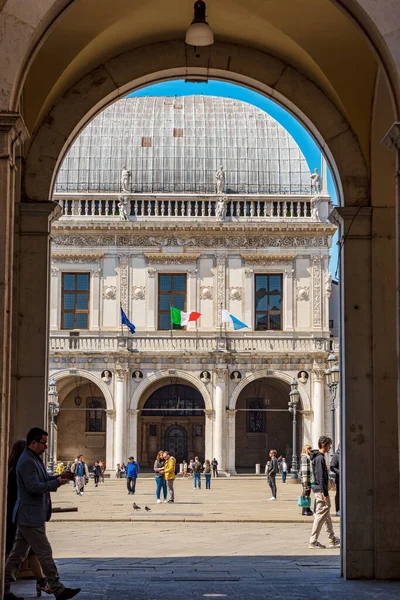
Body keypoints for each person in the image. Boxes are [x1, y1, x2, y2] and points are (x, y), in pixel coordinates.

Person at [3, 427, 80, 600]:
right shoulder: (27, 462)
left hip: (29, 515)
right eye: (44, 443)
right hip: (30, 516)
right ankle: (58, 589)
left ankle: (3, 588)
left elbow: (43, 479)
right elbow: (34, 487)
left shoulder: (32, 459)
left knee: (17, 555)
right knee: (44, 553)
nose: (46, 446)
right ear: (34, 443)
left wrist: (62, 477)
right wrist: (57, 483)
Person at [6, 439, 54, 598]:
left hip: (21, 517)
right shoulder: (21, 471)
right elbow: (33, 490)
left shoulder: (14, 471)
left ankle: (41, 581)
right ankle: (48, 583)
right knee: (30, 552)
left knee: (24, 552)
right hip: (24, 517)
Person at [309, 436, 340, 549]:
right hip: (320, 490)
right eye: (328, 445)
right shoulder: (320, 458)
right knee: (320, 515)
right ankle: (313, 540)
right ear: (323, 445)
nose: (330, 448)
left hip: (319, 489)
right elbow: (321, 477)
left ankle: (332, 539)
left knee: (326, 515)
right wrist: (325, 493)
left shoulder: (318, 457)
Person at [299, 444, 314, 516]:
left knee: (307, 493)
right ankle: (305, 509)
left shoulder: (307, 457)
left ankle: (307, 508)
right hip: (306, 479)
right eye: (309, 449)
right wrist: (305, 481)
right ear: (305, 450)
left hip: (308, 478)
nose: (310, 450)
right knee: (306, 493)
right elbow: (304, 470)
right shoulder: (305, 458)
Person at [330, 445, 340, 516]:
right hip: (340, 478)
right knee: (339, 494)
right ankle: (338, 509)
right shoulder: (336, 455)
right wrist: (340, 472)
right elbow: (332, 467)